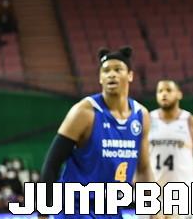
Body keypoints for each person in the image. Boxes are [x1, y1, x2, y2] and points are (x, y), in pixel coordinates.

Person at [40, 46, 154, 219]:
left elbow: (144, 169)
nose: (111, 75)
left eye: (118, 69)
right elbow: (52, 164)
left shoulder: (141, 115)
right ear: (100, 78)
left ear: (130, 75)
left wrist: (153, 208)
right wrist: (43, 214)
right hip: (76, 209)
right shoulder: (84, 112)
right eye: (106, 71)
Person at [150, 79, 193, 209]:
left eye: (168, 90)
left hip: (183, 198)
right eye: (160, 91)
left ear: (179, 94)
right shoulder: (146, 121)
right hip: (151, 198)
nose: (164, 94)